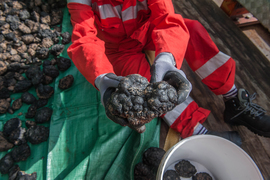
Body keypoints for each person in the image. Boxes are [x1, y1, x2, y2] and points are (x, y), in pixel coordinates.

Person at [66, 0, 270, 144]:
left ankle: (233, 98)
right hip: (119, 49)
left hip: (148, 31)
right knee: (146, 90)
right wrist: (101, 77)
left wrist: (167, 56)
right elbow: (84, 39)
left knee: (192, 30)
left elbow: (166, 18)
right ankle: (199, 132)